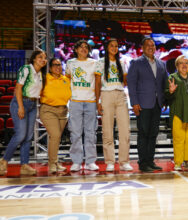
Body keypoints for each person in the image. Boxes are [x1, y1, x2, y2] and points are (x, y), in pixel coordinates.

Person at [0, 50, 47, 175]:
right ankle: (4, 161)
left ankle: (24, 165)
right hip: (21, 103)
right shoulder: (26, 69)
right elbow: (18, 88)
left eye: (45, 58)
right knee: (20, 135)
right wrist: (20, 107)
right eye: (40, 57)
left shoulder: (40, 74)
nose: (43, 59)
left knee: (28, 137)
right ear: (33, 59)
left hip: (32, 104)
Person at [127, 37, 168, 172]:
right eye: (148, 45)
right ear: (143, 48)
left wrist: (165, 100)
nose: (151, 47)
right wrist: (134, 103)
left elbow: (164, 85)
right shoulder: (136, 63)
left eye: (153, 45)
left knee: (153, 134)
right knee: (143, 134)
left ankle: (150, 161)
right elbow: (131, 84)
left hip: (157, 104)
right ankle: (143, 163)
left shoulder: (162, 64)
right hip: (143, 104)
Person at [95, 39, 133, 172]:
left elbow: (126, 82)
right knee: (107, 130)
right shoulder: (100, 62)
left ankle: (124, 161)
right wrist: (97, 101)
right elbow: (98, 83)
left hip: (121, 95)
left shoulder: (122, 62)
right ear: (107, 47)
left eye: (116, 46)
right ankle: (110, 161)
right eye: (112, 46)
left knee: (125, 130)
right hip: (106, 95)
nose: (114, 48)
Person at [65, 40, 99, 172]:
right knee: (75, 132)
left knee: (91, 132)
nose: (84, 49)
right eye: (81, 47)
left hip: (90, 101)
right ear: (76, 49)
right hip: (75, 101)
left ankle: (90, 161)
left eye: (86, 47)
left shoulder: (94, 63)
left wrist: (97, 100)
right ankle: (77, 161)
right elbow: (67, 82)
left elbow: (97, 83)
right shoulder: (70, 63)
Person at [40, 58, 71, 173]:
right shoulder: (44, 78)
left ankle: (55, 161)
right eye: (55, 65)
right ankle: (52, 163)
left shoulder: (66, 79)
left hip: (63, 111)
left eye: (59, 64)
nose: (58, 67)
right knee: (56, 135)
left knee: (56, 138)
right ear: (50, 67)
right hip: (48, 110)